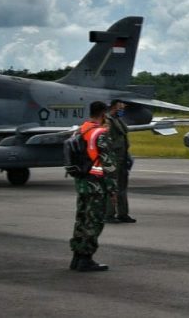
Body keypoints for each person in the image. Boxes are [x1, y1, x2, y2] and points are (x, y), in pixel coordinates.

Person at [69, 100, 116, 272]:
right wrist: (112, 188)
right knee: (94, 221)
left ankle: (76, 256)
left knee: (81, 218)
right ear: (103, 114)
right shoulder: (100, 133)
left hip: (81, 182)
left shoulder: (80, 130)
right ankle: (86, 258)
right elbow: (107, 162)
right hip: (96, 184)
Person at [104, 99, 135, 224]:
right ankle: (109, 214)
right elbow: (105, 142)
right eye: (120, 108)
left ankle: (123, 213)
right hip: (112, 158)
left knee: (122, 187)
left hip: (122, 158)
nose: (122, 110)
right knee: (111, 188)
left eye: (123, 108)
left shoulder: (118, 120)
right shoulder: (107, 121)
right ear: (113, 108)